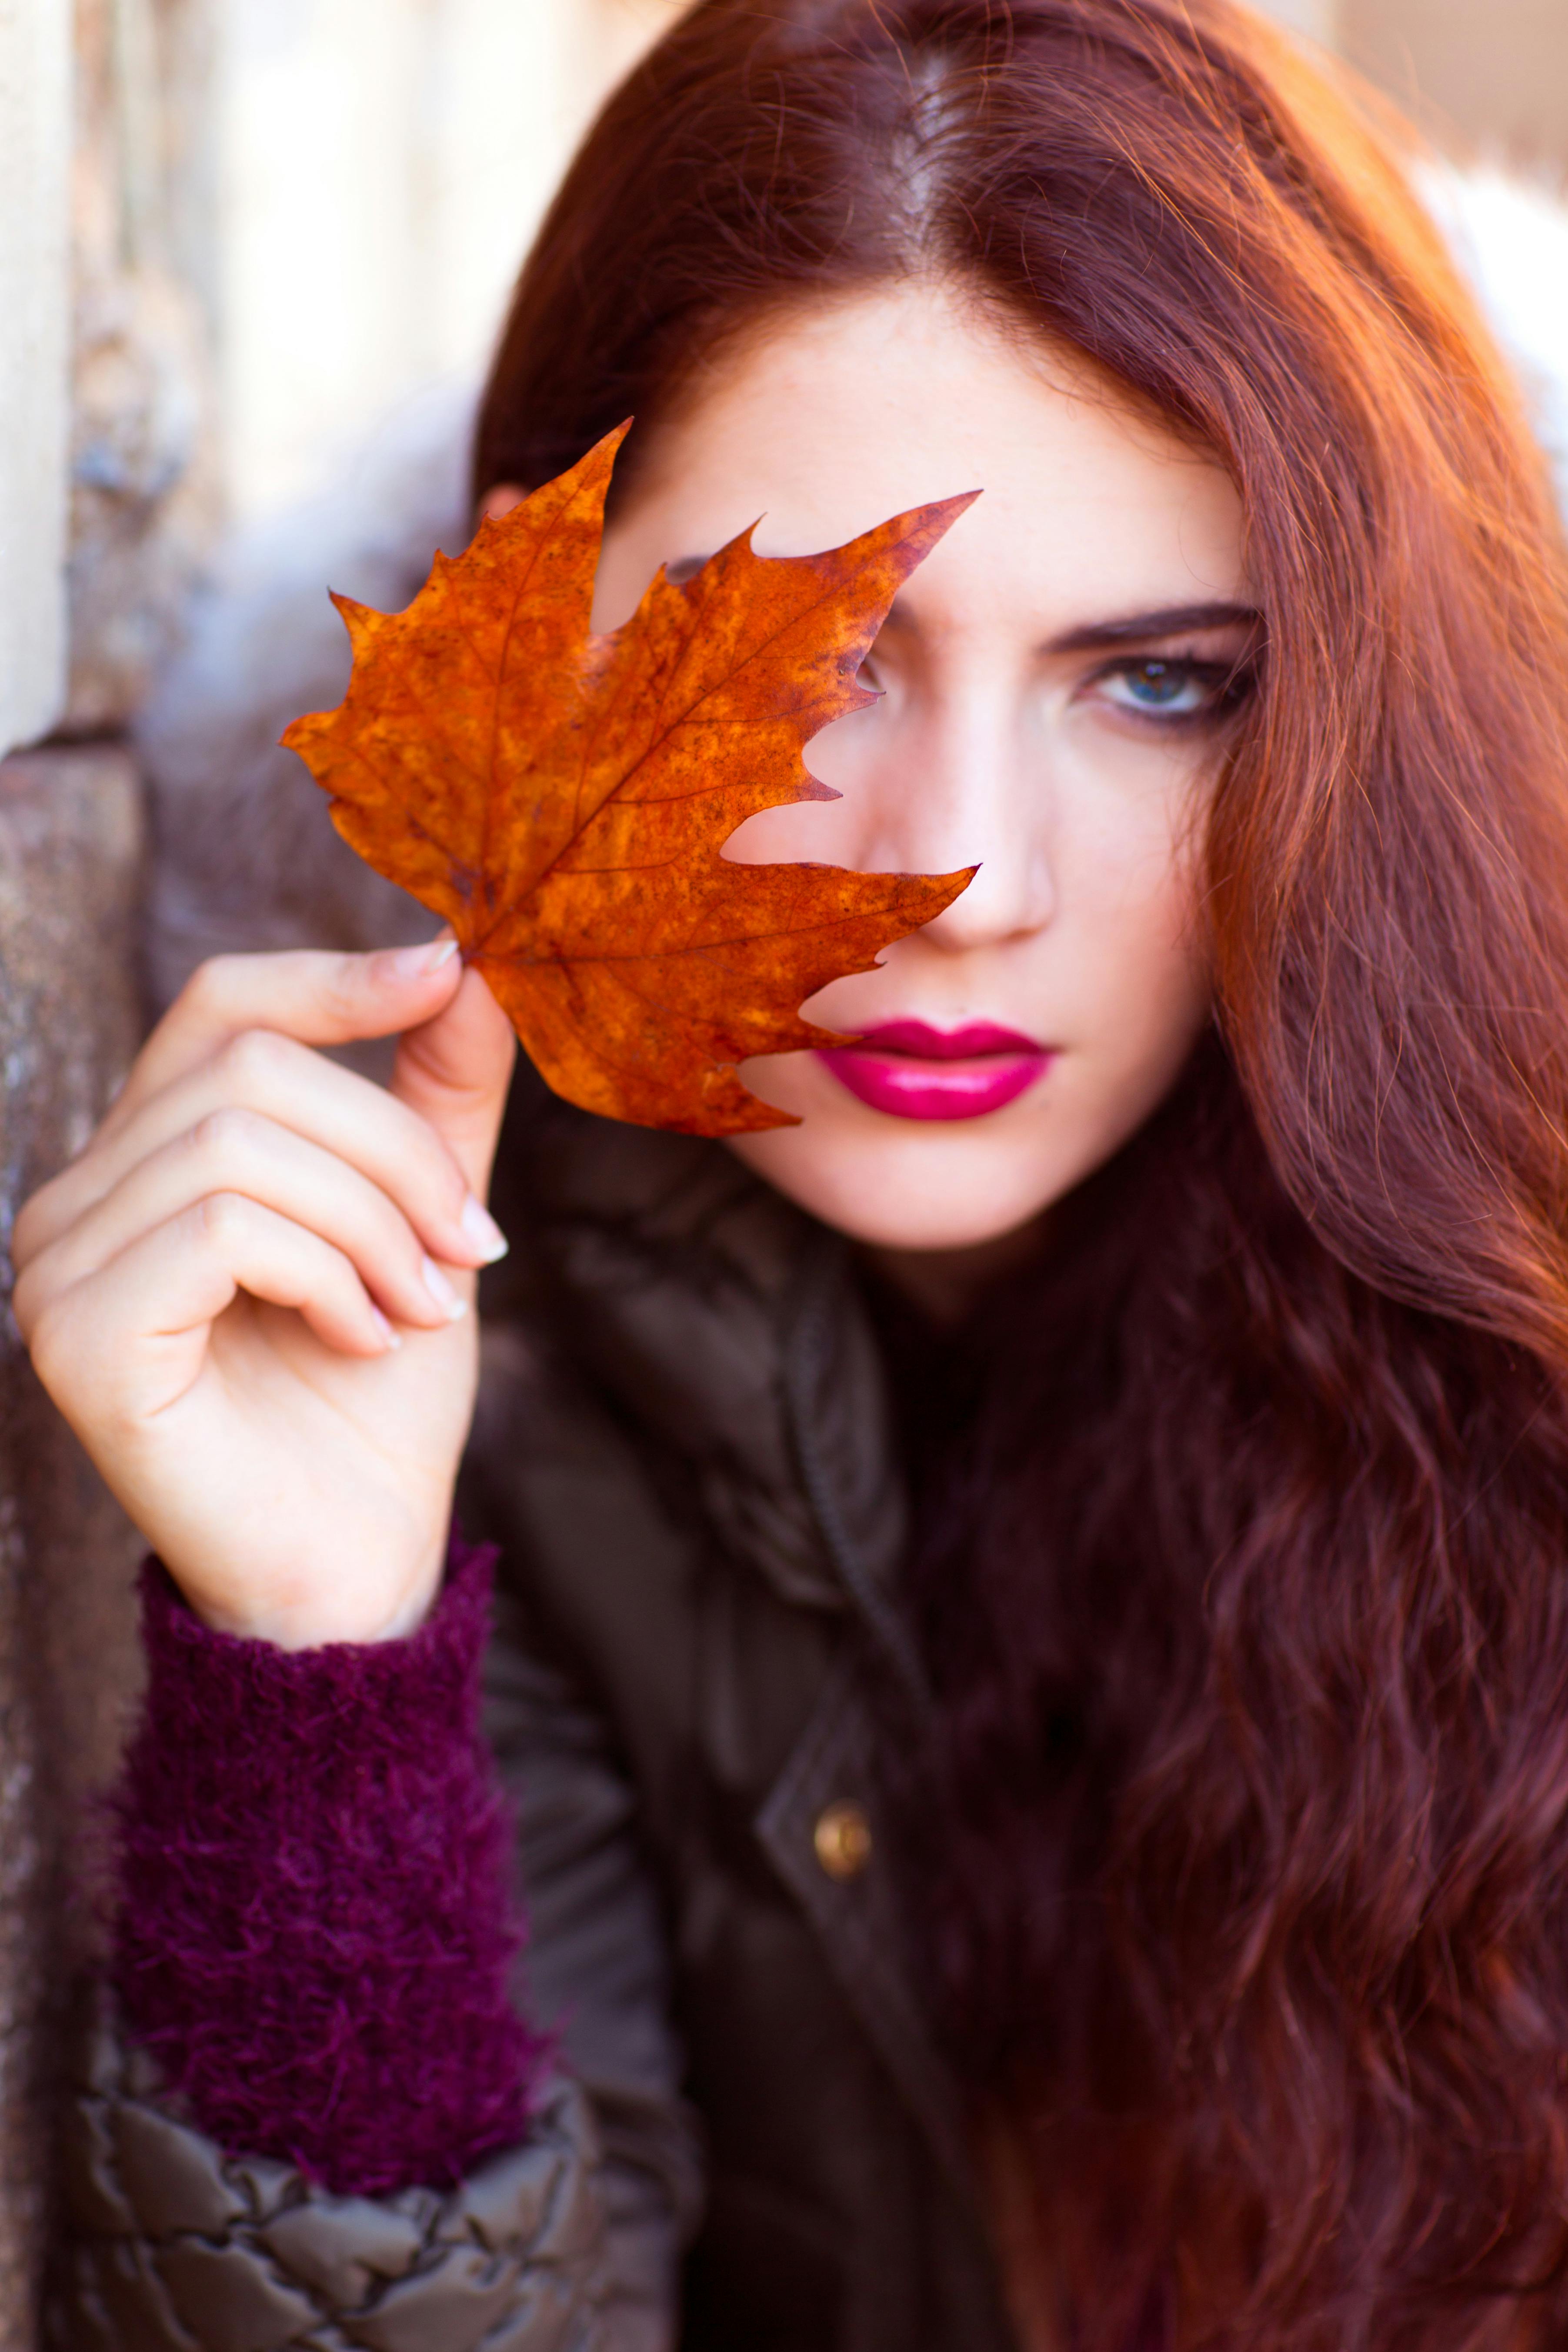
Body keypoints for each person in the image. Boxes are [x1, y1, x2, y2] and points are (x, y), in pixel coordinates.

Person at [18, 0, 1568, 2345]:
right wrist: (325, 1677)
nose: (953, 875)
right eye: (810, 661)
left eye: (1161, 681)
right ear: (520, 665)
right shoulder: (500, 1364)